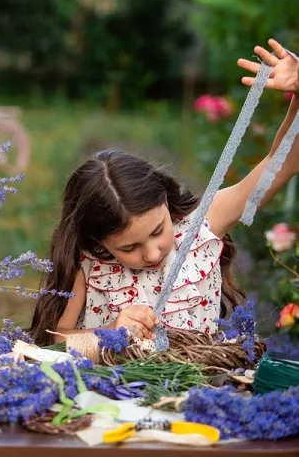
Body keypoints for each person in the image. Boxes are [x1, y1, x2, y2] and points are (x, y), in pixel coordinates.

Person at [30, 39, 299, 346]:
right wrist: (108, 334)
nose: (153, 253)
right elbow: (51, 343)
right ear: (99, 241)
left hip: (200, 390)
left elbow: (285, 161)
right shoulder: (87, 262)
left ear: (166, 200)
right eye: (129, 248)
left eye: (158, 230)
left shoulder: (202, 225)